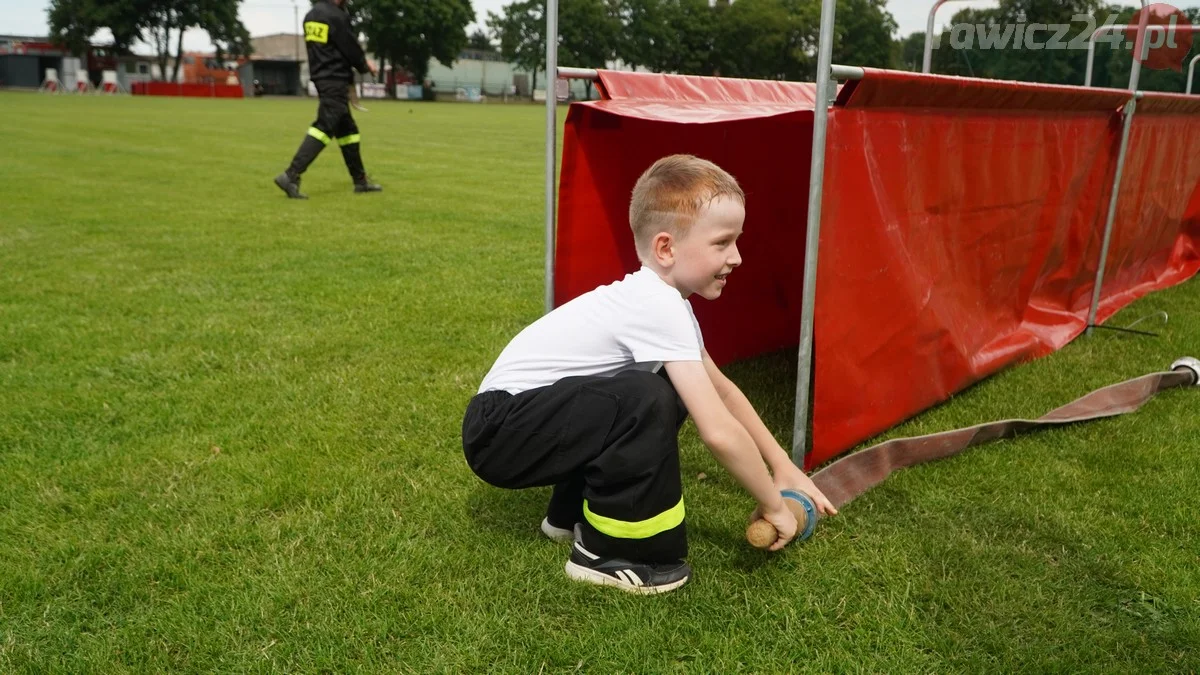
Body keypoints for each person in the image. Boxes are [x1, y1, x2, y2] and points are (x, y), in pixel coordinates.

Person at [461, 155, 837, 594]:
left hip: (514, 423)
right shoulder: (657, 305)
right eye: (722, 243)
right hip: (499, 432)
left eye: (737, 241)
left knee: (660, 391)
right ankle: (606, 556)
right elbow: (717, 431)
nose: (737, 257)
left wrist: (782, 467)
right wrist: (774, 505)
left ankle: (568, 518)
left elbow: (725, 394)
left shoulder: (666, 303)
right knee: (647, 397)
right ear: (665, 248)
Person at [274, 0, 381, 199]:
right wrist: (366, 66)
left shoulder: (311, 16)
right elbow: (350, 48)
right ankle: (291, 175)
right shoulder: (336, 17)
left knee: (348, 131)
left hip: (322, 76)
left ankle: (360, 181)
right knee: (324, 126)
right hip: (335, 79)